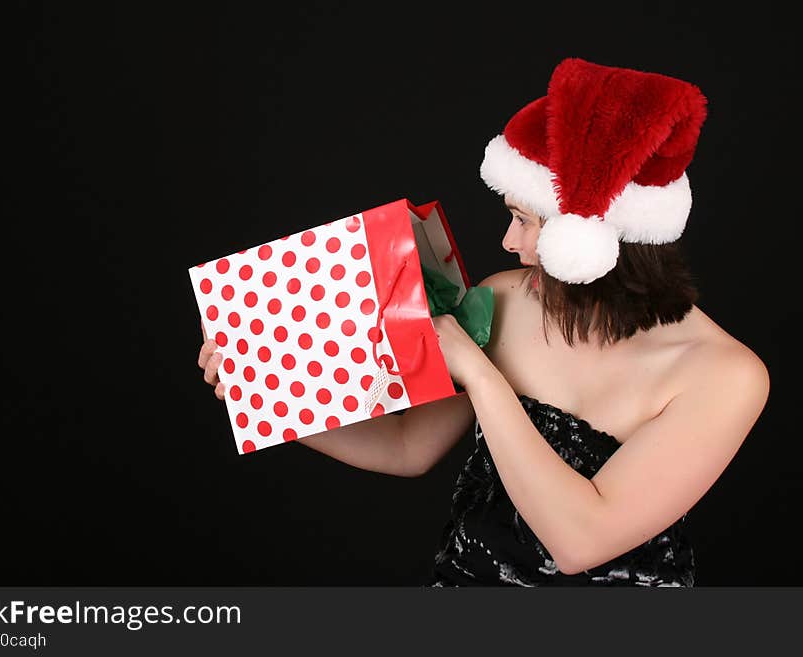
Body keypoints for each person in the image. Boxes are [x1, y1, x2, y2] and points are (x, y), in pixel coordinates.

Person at [197, 58, 770, 586]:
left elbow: (580, 541)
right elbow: (405, 446)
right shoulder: (506, 299)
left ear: (587, 237)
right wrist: (264, 391)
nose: (507, 242)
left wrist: (479, 372)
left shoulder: (726, 376)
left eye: (523, 220)